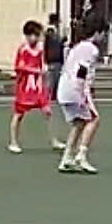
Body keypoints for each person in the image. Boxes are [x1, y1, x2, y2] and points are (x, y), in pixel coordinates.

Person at [55, 16, 108, 174]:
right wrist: (83, 92)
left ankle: (66, 158)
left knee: (79, 123)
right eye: (103, 33)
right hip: (75, 89)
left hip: (64, 88)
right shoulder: (91, 49)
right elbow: (82, 70)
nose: (104, 37)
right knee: (94, 119)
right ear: (97, 32)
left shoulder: (77, 47)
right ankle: (81, 155)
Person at [8, 20, 51, 153]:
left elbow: (42, 64)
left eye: (37, 35)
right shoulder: (23, 49)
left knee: (47, 111)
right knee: (19, 114)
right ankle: (13, 142)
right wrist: (35, 70)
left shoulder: (40, 49)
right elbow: (19, 67)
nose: (35, 38)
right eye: (33, 35)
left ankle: (54, 139)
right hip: (26, 86)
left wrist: (44, 72)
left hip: (38, 86)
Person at [42, 12, 68, 151]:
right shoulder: (50, 33)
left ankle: (53, 99)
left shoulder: (54, 34)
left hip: (57, 64)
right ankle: (48, 102)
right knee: (51, 92)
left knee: (55, 94)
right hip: (53, 65)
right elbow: (51, 49)